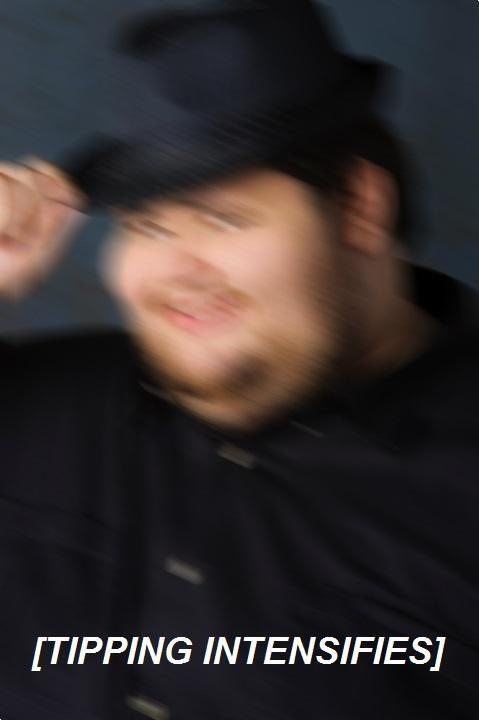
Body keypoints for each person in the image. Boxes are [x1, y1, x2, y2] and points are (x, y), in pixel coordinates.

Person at [0, 1, 477, 718]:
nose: (174, 271)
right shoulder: (47, 399)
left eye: (222, 217)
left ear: (358, 206)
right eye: (145, 225)